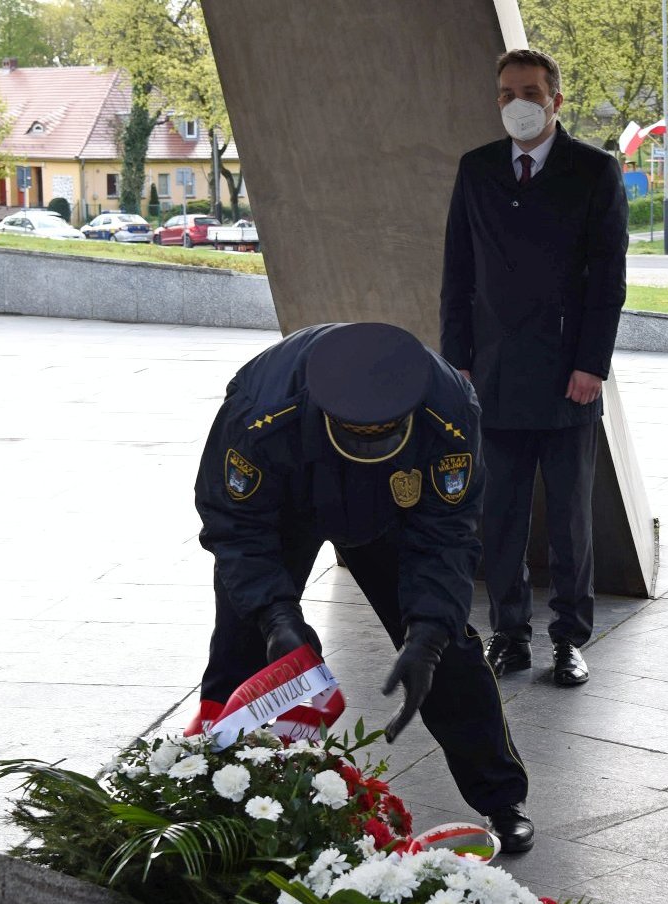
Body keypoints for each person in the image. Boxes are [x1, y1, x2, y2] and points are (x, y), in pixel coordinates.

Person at [193, 322, 533, 852]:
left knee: (449, 655)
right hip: (283, 504)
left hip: (389, 513)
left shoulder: (448, 412)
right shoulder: (261, 411)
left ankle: (501, 797)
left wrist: (427, 635)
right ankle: (206, 789)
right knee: (242, 645)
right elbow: (234, 524)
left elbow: (447, 535)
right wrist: (276, 618)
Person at [440, 48, 629, 688]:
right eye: (504, 93)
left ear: (556, 99)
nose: (516, 103)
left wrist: (591, 365)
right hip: (491, 376)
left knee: (572, 520)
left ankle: (570, 641)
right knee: (500, 517)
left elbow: (608, 282)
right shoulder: (477, 170)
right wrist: (456, 360)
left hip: (569, 378)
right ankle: (509, 635)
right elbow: (456, 275)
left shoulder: (595, 171)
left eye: (528, 91)